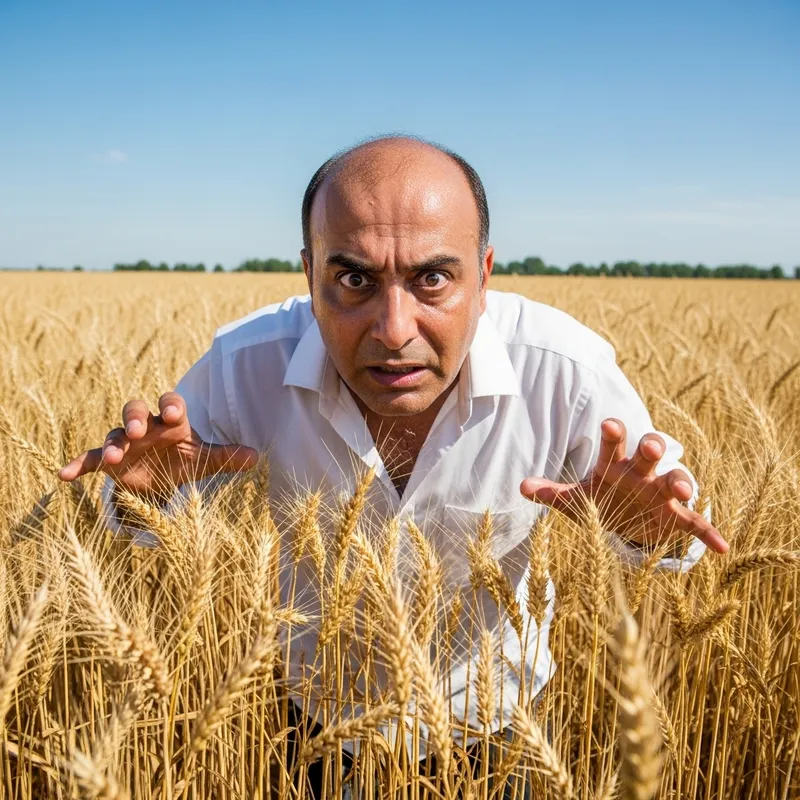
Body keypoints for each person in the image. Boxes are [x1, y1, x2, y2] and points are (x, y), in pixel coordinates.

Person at [58, 135, 728, 795]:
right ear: (309, 273)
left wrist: (648, 529)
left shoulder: (564, 371)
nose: (394, 328)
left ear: (485, 275)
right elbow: (145, 515)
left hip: (501, 739)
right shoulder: (244, 365)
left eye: (432, 278)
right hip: (311, 735)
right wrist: (145, 498)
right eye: (354, 279)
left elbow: (669, 535)